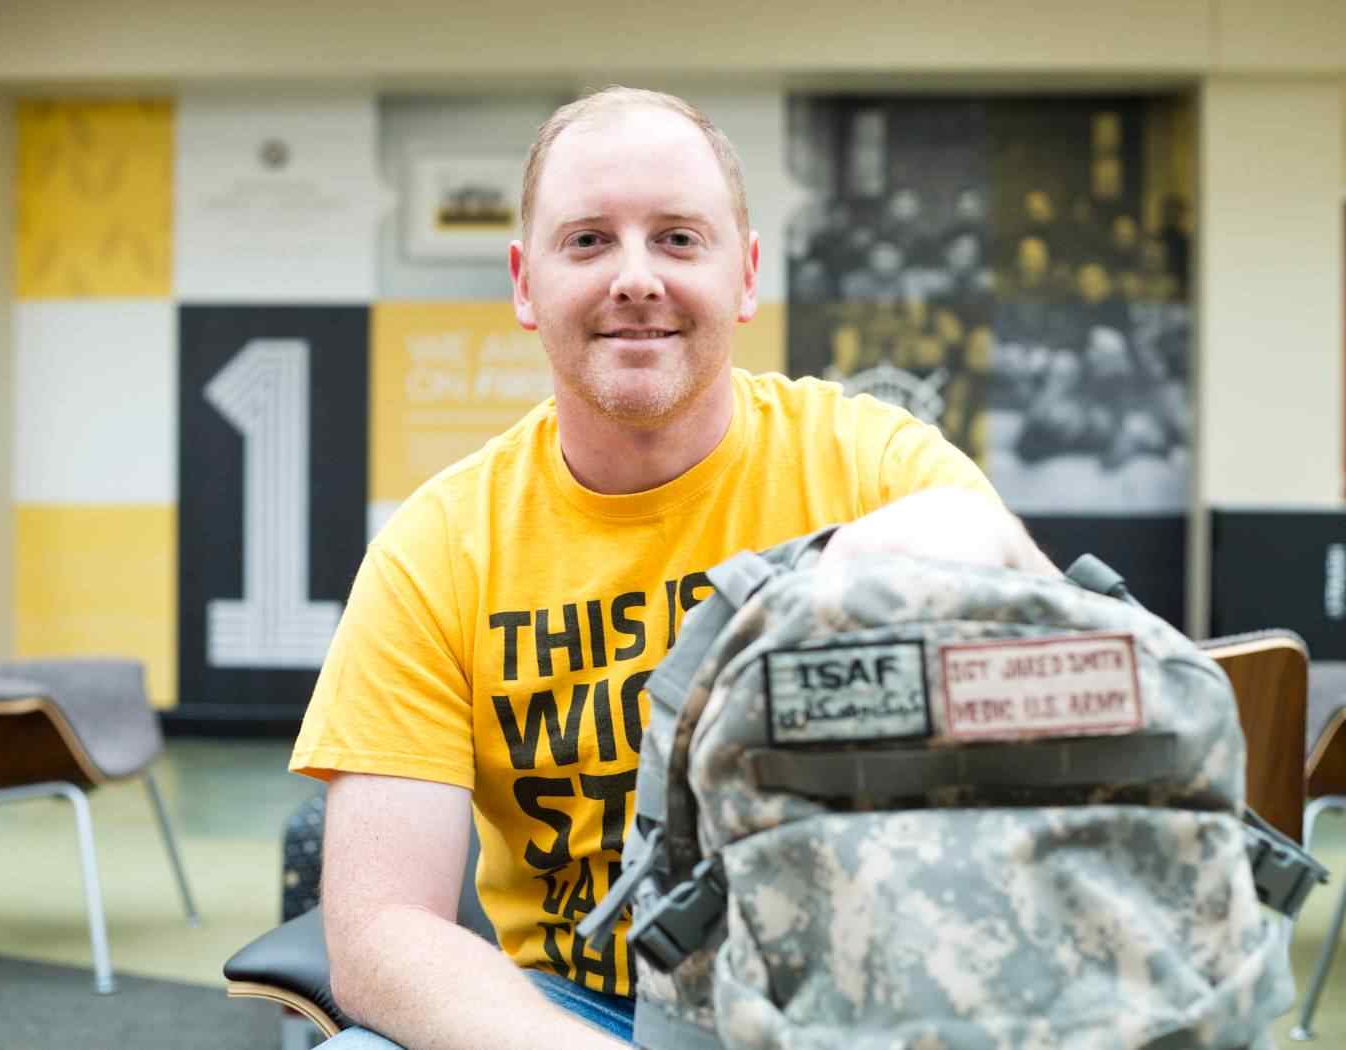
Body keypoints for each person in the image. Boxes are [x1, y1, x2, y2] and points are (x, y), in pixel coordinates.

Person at [290, 86, 1057, 1050]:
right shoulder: (438, 548)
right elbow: (380, 930)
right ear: (526, 285)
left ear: (745, 275)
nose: (636, 277)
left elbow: (1036, 606)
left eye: (680, 239)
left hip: (856, 999)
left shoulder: (869, 466)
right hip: (578, 1009)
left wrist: (892, 558)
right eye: (589, 241)